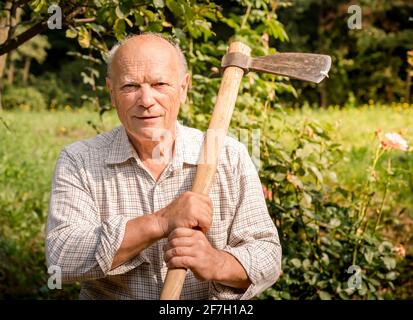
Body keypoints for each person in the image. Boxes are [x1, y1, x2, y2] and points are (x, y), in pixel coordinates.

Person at [45, 33, 282, 300]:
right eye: (130, 86)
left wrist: (216, 262)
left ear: (183, 89)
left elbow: (268, 256)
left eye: (159, 84)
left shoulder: (231, 156)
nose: (146, 100)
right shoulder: (80, 161)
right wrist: (160, 222)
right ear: (111, 93)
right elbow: (61, 258)